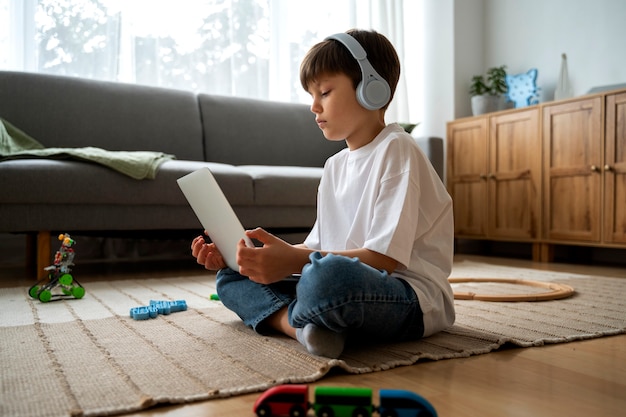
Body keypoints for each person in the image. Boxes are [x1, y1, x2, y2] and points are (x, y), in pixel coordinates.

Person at [191, 29, 455, 359]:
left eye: (325, 92)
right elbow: (318, 249)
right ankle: (303, 326)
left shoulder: (397, 149)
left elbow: (386, 259)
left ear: (371, 90)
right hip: (341, 286)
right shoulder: (334, 166)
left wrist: (295, 260)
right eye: (311, 95)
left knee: (327, 277)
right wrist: (250, 255)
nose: (314, 106)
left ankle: (304, 316)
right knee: (231, 276)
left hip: (408, 296)